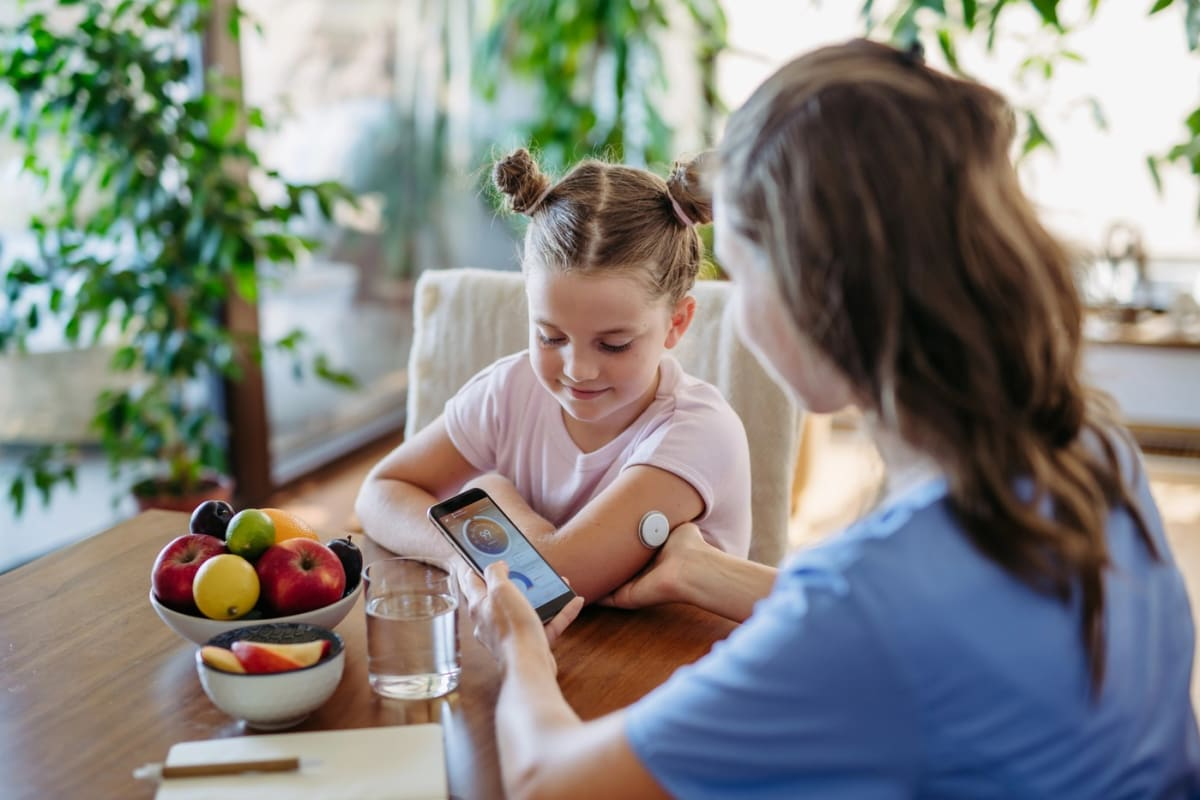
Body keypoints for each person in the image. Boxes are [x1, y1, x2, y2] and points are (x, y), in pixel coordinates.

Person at [461, 38, 1200, 798]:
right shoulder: (1090, 443)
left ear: (817, 297)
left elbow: (548, 782)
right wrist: (716, 574)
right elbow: (939, 636)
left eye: (742, 277)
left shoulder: (861, 604)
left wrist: (519, 640)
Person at [355, 148, 753, 603]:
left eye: (614, 344)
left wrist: (493, 496)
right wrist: (464, 554)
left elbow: (559, 579)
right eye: (550, 336)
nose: (577, 370)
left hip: (670, 665)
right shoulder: (509, 390)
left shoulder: (699, 432)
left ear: (677, 323)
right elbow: (380, 493)